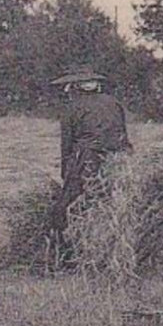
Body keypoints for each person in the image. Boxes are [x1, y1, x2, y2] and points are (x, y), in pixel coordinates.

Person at [48, 67, 131, 263]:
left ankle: (64, 257)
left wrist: (65, 174)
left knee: (64, 209)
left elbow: (66, 145)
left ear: (75, 88)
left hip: (87, 160)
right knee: (111, 206)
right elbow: (123, 135)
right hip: (117, 161)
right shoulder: (114, 103)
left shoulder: (72, 107)